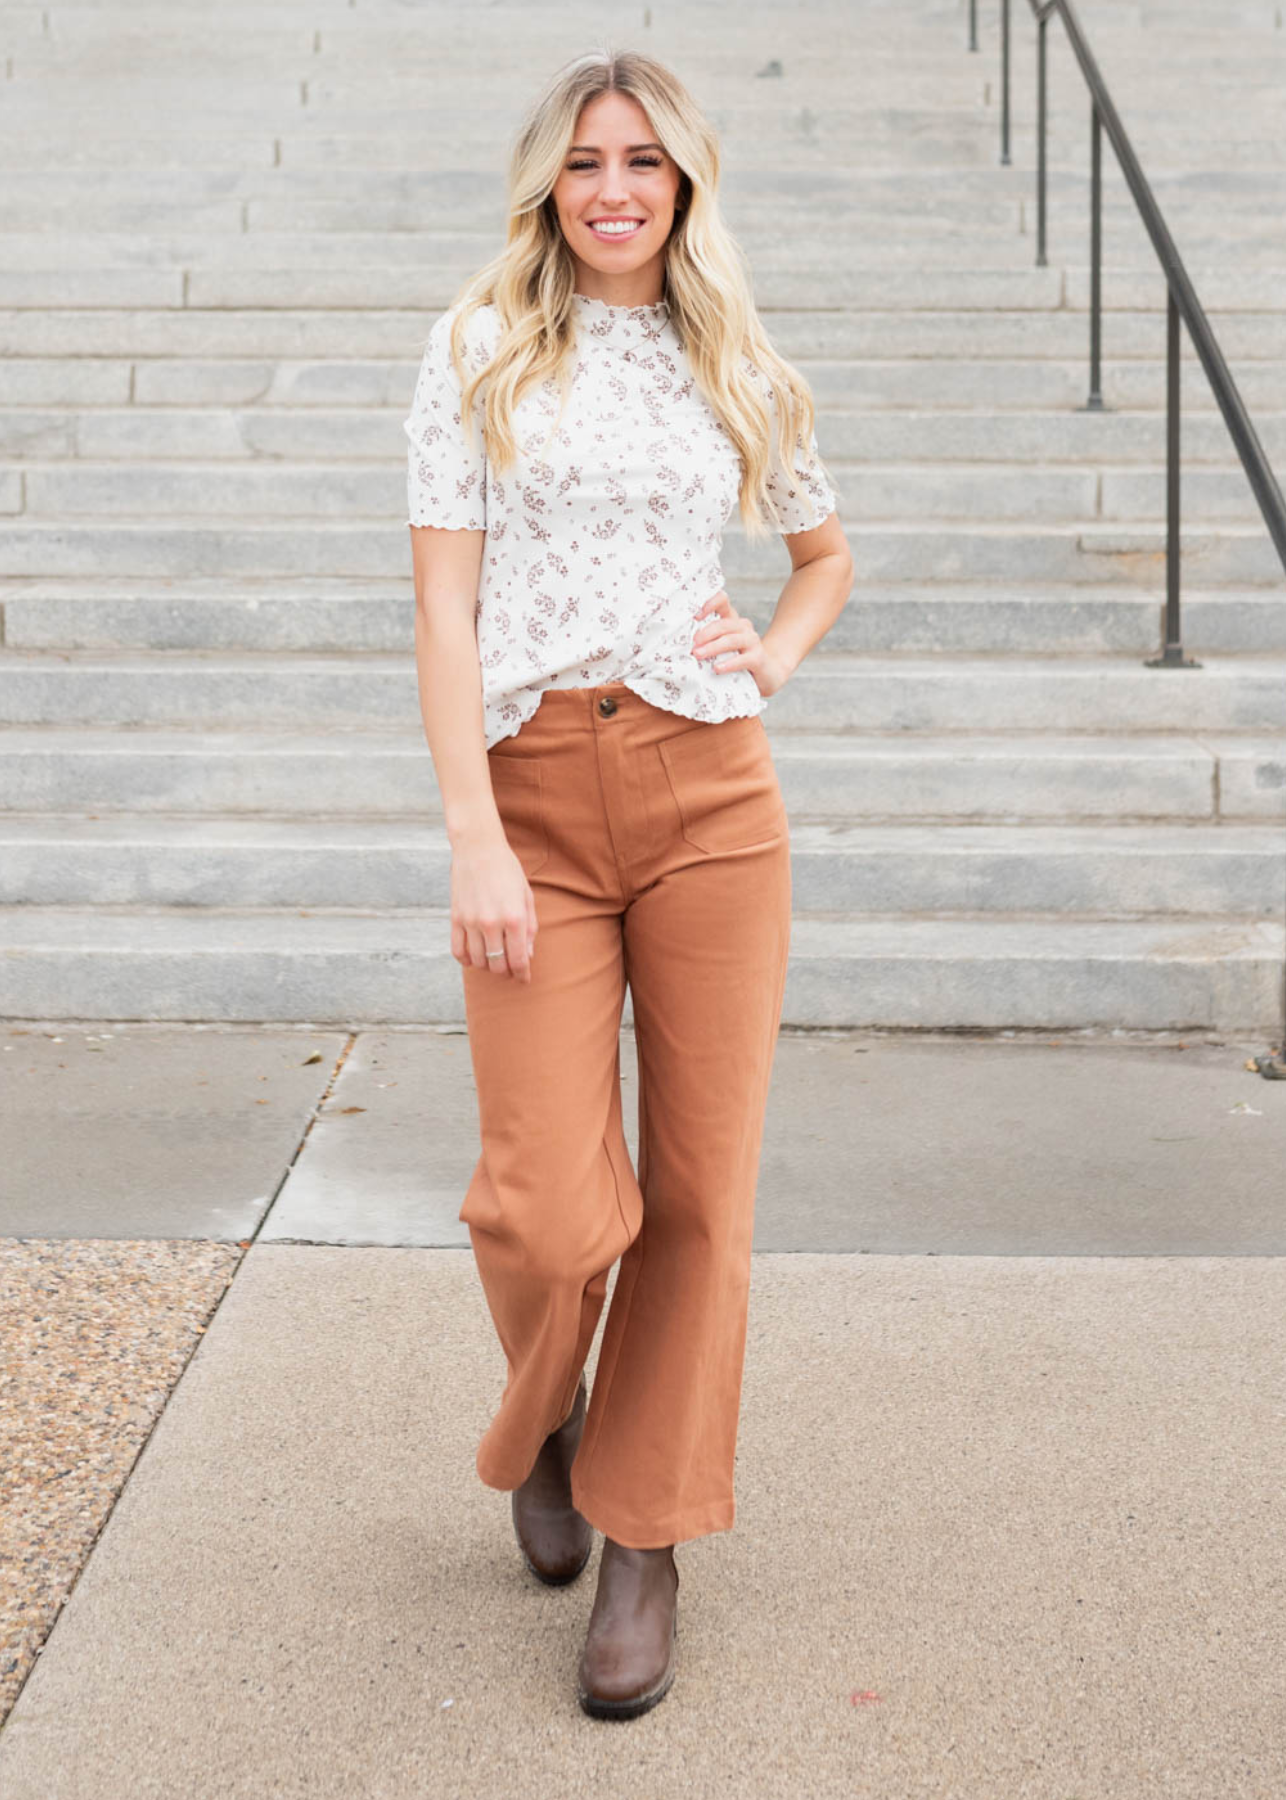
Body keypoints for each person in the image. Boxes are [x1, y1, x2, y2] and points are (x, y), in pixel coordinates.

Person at [403, 46, 854, 1721]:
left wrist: (775, 656)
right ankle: (549, 1422)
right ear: (549, 180)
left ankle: (644, 1540)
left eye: (642, 162)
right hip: (530, 790)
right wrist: (471, 830)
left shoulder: (731, 352)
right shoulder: (474, 351)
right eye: (586, 160)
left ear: (682, 184)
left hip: (708, 793)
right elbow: (445, 610)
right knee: (540, 1197)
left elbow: (823, 550)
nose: (612, 187)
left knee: (700, 1195)